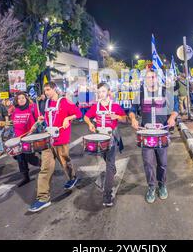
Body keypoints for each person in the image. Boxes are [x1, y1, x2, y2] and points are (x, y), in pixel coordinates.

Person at [28, 82, 82, 213]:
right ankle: (43, 198)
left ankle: (72, 177)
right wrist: (40, 120)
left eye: (48, 90)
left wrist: (68, 118)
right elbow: (47, 119)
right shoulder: (45, 103)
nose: (46, 92)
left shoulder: (64, 101)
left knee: (65, 162)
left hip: (61, 139)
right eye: (45, 90)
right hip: (48, 140)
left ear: (54, 89)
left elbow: (78, 114)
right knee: (45, 169)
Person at [128, 69, 178, 204]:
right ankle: (151, 186)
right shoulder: (141, 94)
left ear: (157, 78)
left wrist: (172, 117)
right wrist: (133, 119)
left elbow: (175, 109)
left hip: (162, 132)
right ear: (145, 79)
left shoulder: (165, 92)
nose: (151, 79)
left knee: (162, 163)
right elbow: (132, 110)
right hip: (146, 133)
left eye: (153, 77)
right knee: (148, 162)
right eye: (149, 77)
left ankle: (161, 184)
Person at [84, 83, 127, 207]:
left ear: (108, 92)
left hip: (111, 139)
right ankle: (112, 169)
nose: (100, 94)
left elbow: (125, 119)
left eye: (103, 91)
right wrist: (90, 125)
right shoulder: (95, 106)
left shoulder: (115, 106)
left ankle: (107, 195)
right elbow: (86, 117)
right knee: (107, 161)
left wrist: (117, 116)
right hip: (99, 140)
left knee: (109, 165)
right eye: (99, 92)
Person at [10, 92, 42, 187]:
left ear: (26, 98)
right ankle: (25, 177)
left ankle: (43, 165)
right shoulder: (15, 111)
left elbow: (40, 120)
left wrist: (37, 125)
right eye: (19, 98)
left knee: (30, 158)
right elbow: (14, 122)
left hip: (29, 137)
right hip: (18, 138)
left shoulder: (32, 107)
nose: (21, 100)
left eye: (23, 98)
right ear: (16, 101)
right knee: (20, 158)